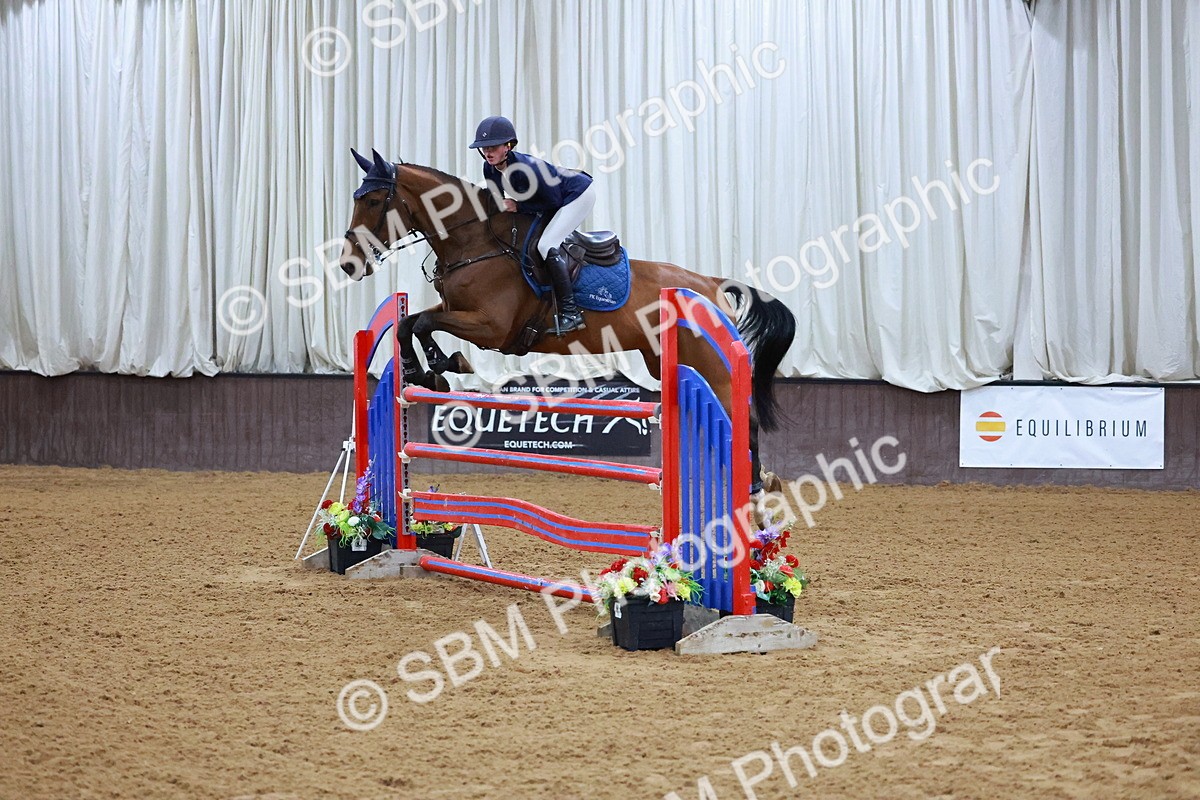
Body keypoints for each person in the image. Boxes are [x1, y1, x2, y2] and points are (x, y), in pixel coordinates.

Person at [469, 115, 594, 334]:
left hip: (577, 195)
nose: (487, 153)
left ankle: (570, 312)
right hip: (551, 199)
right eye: (484, 148)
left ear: (508, 146)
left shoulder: (527, 168)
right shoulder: (489, 169)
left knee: (546, 245)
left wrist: (519, 207)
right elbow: (497, 202)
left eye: (493, 147)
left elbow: (553, 201)